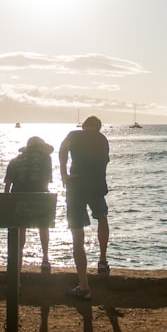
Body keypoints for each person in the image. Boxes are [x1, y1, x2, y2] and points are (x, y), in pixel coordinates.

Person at [59, 115, 109, 301]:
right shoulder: (102, 139)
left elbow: (62, 150)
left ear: (84, 126)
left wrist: (64, 173)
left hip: (77, 185)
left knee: (77, 233)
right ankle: (102, 260)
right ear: (98, 127)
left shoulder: (74, 134)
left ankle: (84, 286)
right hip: (96, 186)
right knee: (102, 217)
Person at [3, 135, 54, 274]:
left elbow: (7, 187)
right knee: (44, 226)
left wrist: (7, 205)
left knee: (20, 229)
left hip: (17, 201)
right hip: (40, 199)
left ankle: (18, 260)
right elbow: (47, 181)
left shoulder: (14, 160)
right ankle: (45, 258)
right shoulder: (45, 159)